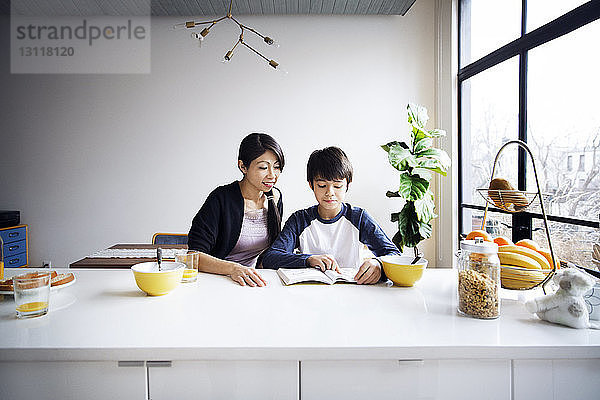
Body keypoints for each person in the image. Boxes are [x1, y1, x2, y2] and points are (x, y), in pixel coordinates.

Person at [262, 146, 400, 284]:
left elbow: (394, 254)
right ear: (311, 185)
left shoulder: (358, 218)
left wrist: (379, 264)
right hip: (310, 291)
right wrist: (308, 260)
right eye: (322, 185)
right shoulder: (300, 220)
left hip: (353, 290)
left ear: (347, 184)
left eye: (338, 186)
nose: (330, 193)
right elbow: (271, 257)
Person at [188, 133, 284, 287]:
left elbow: (270, 250)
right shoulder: (221, 198)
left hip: (253, 280)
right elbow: (194, 256)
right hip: (218, 280)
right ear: (243, 166)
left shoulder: (275, 197)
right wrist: (234, 268)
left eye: (277, 167)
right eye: (263, 167)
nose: (272, 175)